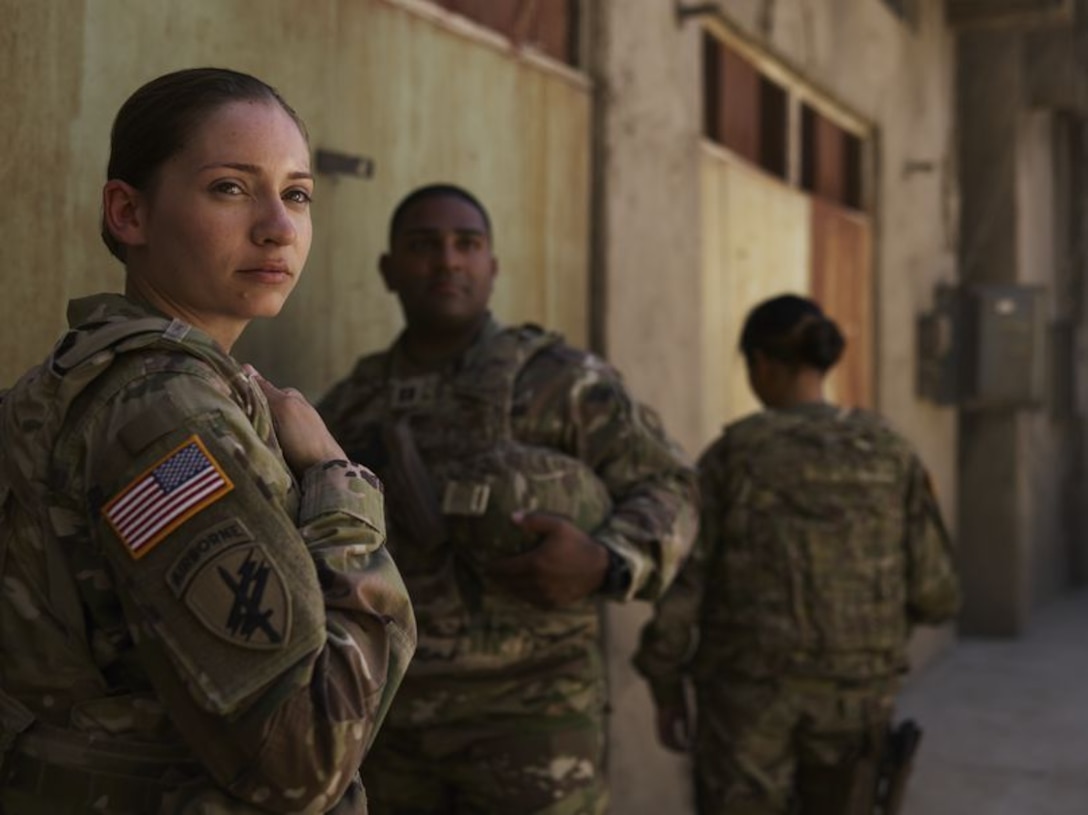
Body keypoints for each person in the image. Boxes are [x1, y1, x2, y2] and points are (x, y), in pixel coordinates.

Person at [0, 68, 416, 814]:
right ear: (129, 212)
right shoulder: (163, 414)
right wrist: (336, 481)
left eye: (296, 194)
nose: (279, 227)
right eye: (230, 187)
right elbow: (304, 755)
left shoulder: (77, 380)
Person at [317, 183, 698, 814]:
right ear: (388, 270)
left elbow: (669, 484)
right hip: (391, 723)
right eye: (423, 246)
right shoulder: (354, 404)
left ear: (492, 266)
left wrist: (606, 561)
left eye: (467, 245)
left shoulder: (564, 383)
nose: (447, 262)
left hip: (533, 719)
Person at [633, 294, 961, 815]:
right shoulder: (890, 452)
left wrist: (666, 685)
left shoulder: (733, 456)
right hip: (856, 700)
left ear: (761, 363)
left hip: (748, 705)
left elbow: (684, 589)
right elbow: (936, 592)